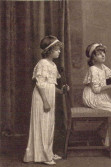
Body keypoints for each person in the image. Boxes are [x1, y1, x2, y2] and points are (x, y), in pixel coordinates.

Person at [24, 35, 68, 165]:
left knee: (49, 125)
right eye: (57, 49)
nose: (59, 52)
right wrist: (45, 101)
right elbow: (40, 84)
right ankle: (42, 155)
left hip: (49, 95)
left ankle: (47, 152)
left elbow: (51, 85)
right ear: (49, 50)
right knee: (43, 125)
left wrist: (61, 91)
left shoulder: (53, 65)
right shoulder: (43, 63)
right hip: (42, 98)